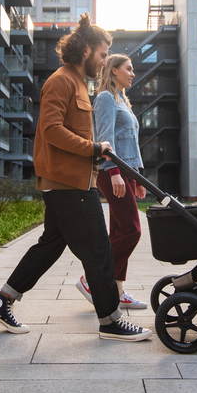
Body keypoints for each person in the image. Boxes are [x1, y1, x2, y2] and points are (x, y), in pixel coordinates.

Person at [0, 14, 151, 342]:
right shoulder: (61, 81)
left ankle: (2, 300)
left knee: (50, 246)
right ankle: (110, 319)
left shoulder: (77, 83)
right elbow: (50, 129)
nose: (104, 62)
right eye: (103, 55)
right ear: (87, 50)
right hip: (67, 183)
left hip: (71, 181)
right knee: (99, 249)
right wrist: (94, 148)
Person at [76, 54, 148, 309]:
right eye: (128, 69)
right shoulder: (106, 98)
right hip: (112, 171)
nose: (132, 73)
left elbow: (131, 143)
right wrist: (115, 171)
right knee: (131, 230)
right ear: (114, 70)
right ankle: (90, 279)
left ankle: (116, 291)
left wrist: (138, 177)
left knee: (118, 231)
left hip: (126, 170)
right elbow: (106, 137)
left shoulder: (123, 101)